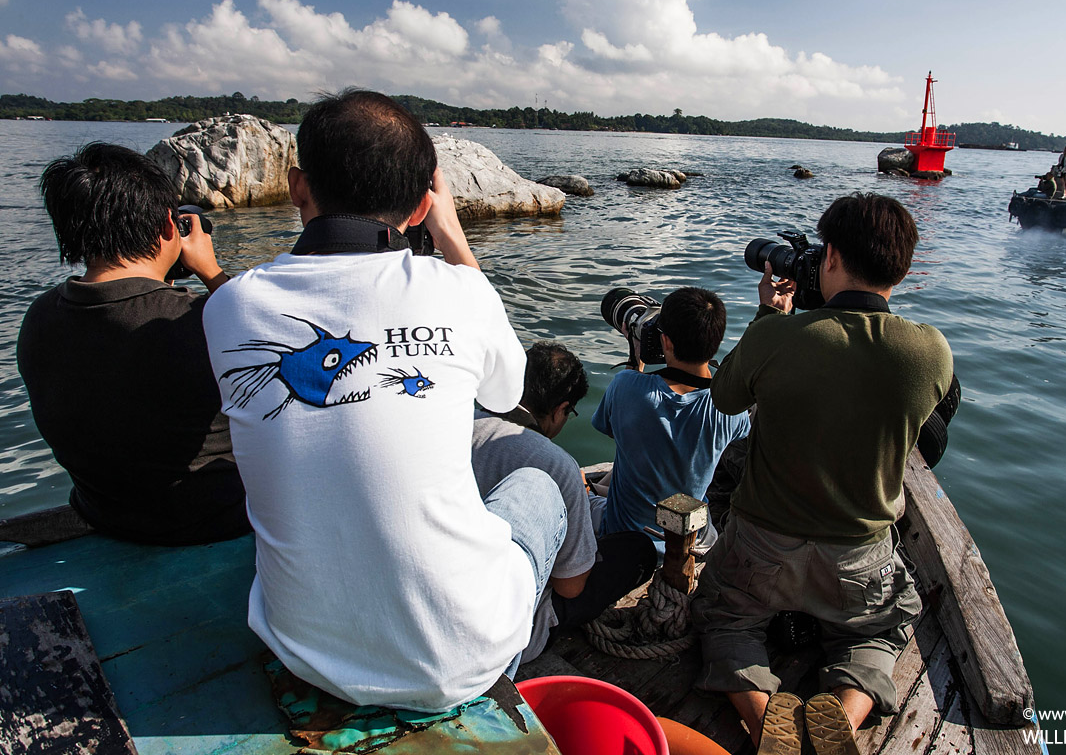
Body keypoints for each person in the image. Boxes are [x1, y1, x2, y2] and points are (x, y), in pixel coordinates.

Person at [203, 89, 566, 713]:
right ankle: (533, 645)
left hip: (304, 652)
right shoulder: (461, 291)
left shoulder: (230, 306)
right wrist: (452, 237)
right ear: (423, 202)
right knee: (539, 485)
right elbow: (506, 395)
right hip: (461, 662)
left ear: (296, 186)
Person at [692, 193, 954, 754]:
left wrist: (770, 315)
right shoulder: (929, 351)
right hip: (859, 556)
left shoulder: (779, 337)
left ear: (829, 255)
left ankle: (765, 720)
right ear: (902, 269)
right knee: (877, 633)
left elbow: (727, 394)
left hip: (763, 544)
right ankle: (840, 712)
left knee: (725, 621)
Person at [17, 142, 248, 545]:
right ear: (166, 227)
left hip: (105, 516)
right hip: (217, 521)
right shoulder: (206, 319)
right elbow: (279, 345)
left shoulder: (38, 316)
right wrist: (212, 272)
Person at [472, 342, 657, 661]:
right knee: (637, 551)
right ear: (560, 409)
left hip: (446, 588)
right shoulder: (554, 464)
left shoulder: (456, 421)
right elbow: (570, 587)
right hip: (506, 634)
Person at [591, 287, 751, 557]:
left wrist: (636, 358)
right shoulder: (729, 408)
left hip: (625, 536)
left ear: (665, 341)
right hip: (692, 537)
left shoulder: (625, 386)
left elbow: (612, 429)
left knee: (583, 494)